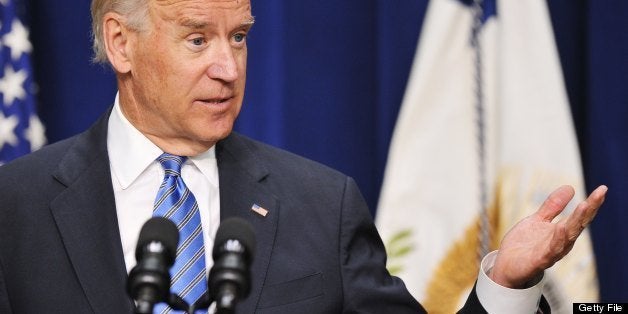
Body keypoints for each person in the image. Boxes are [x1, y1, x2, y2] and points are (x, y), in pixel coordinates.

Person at [0, 0, 607, 313]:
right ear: (120, 43)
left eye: (238, 36)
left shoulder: (321, 205)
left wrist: (503, 285)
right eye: (197, 38)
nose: (228, 67)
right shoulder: (15, 209)